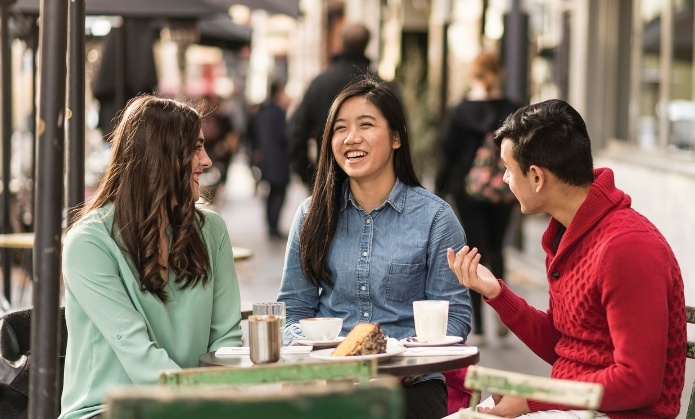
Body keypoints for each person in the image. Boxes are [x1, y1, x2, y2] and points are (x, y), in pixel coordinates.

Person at [447, 99, 688, 419]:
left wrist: (534, 399)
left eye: (507, 169)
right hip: (575, 408)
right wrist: (497, 294)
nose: (504, 179)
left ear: (536, 177)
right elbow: (567, 346)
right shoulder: (569, 236)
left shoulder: (627, 247)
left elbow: (639, 383)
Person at [277, 78, 471, 419]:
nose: (351, 138)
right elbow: (292, 310)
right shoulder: (311, 214)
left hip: (410, 384)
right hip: (326, 378)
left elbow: (454, 317)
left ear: (397, 137)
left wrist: (399, 369)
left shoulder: (436, 218)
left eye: (366, 125)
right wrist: (321, 361)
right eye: (340, 129)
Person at [59, 96, 243, 419]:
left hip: (192, 407)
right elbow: (139, 355)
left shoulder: (211, 231)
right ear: (161, 157)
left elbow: (226, 342)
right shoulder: (88, 244)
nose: (207, 161)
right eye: (196, 148)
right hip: (104, 411)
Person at [435, 51, 521, 339]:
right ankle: (503, 312)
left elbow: (446, 152)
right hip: (504, 186)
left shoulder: (460, 111)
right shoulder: (512, 109)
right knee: (497, 249)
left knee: (474, 251)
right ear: (499, 72)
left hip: (467, 190)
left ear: (474, 74)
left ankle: (480, 325)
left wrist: (441, 189)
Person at [289, 22, 377, 189]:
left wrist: (310, 177)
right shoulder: (378, 84)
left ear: (340, 44)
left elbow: (296, 133)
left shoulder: (321, 83)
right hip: (370, 182)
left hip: (329, 181)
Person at [248, 82, 291, 239]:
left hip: (266, 159)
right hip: (279, 160)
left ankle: (270, 225)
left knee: (271, 193)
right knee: (279, 193)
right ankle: (274, 226)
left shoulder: (262, 112)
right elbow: (284, 135)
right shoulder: (279, 113)